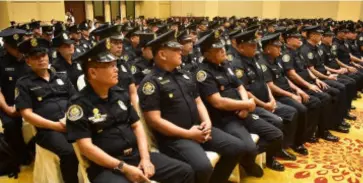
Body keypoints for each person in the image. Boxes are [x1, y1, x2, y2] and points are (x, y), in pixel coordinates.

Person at [66, 38, 194, 183]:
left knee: (184, 172)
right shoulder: (78, 105)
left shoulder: (120, 94)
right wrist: (123, 167)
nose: (116, 69)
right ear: (93, 73)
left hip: (135, 156)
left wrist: (145, 158)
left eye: (115, 64)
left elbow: (137, 125)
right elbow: (86, 147)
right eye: (109, 66)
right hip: (106, 166)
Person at [138, 30, 246, 183]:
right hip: (175, 138)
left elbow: (198, 102)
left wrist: (207, 123)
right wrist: (188, 134)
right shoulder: (151, 83)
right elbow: (154, 121)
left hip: (199, 128)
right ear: (162, 55)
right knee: (202, 167)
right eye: (175, 50)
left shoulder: (185, 74)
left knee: (237, 147)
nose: (180, 51)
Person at [195, 30, 285, 173]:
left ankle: (247, 158)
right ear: (207, 54)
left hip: (244, 112)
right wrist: (246, 104)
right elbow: (218, 102)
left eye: (222, 48)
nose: (223, 51)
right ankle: (248, 160)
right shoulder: (203, 73)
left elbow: (240, 86)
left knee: (276, 135)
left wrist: (246, 106)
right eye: (218, 50)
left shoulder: (225, 65)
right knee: (247, 147)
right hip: (226, 119)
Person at [15, 38, 79, 183]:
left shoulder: (62, 76)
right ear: (28, 61)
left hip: (72, 122)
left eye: (43, 55)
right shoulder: (24, 83)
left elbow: (76, 100)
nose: (41, 60)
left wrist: (73, 120)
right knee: (69, 152)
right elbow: (27, 114)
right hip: (48, 130)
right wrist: (55, 126)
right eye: (35, 57)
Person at [230, 29, 298, 160]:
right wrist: (265, 105)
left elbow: (265, 82)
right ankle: (270, 157)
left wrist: (271, 99)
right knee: (277, 121)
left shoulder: (255, 59)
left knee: (291, 112)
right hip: (255, 105)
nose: (255, 47)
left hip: (267, 101)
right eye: (251, 45)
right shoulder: (237, 65)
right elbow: (245, 91)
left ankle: (281, 147)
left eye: (255, 44)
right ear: (241, 47)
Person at [279, 27, 340, 142]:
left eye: (298, 37)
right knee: (322, 98)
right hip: (301, 86)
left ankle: (324, 127)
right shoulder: (286, 54)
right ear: (288, 40)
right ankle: (314, 132)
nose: (299, 39)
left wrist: (316, 79)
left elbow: (306, 68)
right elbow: (291, 75)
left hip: (309, 82)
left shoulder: (297, 52)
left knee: (332, 93)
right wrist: (308, 85)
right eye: (295, 38)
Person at [300, 25, 350, 132]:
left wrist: (330, 73)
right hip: (318, 78)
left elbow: (322, 65)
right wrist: (327, 76)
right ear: (312, 35)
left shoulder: (316, 48)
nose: (321, 36)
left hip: (322, 76)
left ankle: (338, 119)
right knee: (337, 90)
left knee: (343, 86)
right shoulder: (305, 50)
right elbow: (312, 70)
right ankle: (332, 123)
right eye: (319, 34)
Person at [0, 28, 31, 165]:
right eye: (14, 48)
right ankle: (19, 155)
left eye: (20, 47)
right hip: (9, 103)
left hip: (31, 102)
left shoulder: (30, 58)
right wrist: (6, 108)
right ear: (6, 45)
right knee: (11, 125)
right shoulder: (1, 62)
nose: (18, 51)